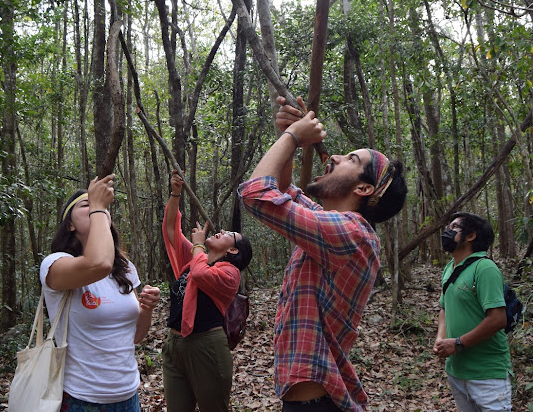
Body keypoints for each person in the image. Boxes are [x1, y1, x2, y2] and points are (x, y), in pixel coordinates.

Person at [238, 97, 407, 412]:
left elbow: (257, 194)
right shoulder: (335, 228)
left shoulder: (352, 234)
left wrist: (292, 138)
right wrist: (290, 136)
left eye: (351, 160)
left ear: (364, 189)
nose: (337, 156)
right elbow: (284, 191)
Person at [40, 174, 161, 412]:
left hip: (128, 396)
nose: (98, 208)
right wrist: (98, 205)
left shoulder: (124, 267)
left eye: (102, 207)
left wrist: (146, 309)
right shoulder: (55, 264)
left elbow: (135, 336)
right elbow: (98, 264)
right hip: (81, 399)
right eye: (87, 205)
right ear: (70, 225)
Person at [161, 170, 253, 412]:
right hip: (175, 345)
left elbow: (201, 275)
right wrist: (175, 193)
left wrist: (199, 244)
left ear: (233, 251)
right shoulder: (195, 256)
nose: (221, 231)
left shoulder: (229, 274)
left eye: (229, 235)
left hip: (206, 347)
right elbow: (171, 229)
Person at [433, 212, 513, 411]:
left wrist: (459, 343)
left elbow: (497, 319)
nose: (447, 232)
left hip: (487, 373)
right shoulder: (450, 268)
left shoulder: (485, 268)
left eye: (454, 228)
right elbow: (444, 308)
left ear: (471, 236)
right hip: (457, 370)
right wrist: (441, 337)